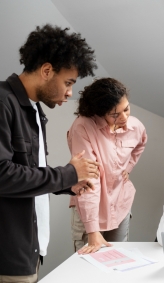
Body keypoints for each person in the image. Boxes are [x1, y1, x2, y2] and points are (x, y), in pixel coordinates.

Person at [0, 24, 99, 282]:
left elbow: (28, 174)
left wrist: (68, 184)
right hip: (8, 257)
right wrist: (66, 173)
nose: (69, 93)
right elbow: (2, 174)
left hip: (30, 251)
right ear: (46, 70)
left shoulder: (34, 110)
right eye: (68, 82)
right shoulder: (2, 103)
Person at [67, 77, 147, 254]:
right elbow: (88, 181)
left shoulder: (136, 126)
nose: (124, 118)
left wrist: (128, 168)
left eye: (126, 109)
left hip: (120, 204)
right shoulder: (83, 127)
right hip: (90, 208)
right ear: (99, 112)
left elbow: (141, 144)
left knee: (117, 263)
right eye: (115, 114)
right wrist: (93, 231)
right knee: (87, 268)